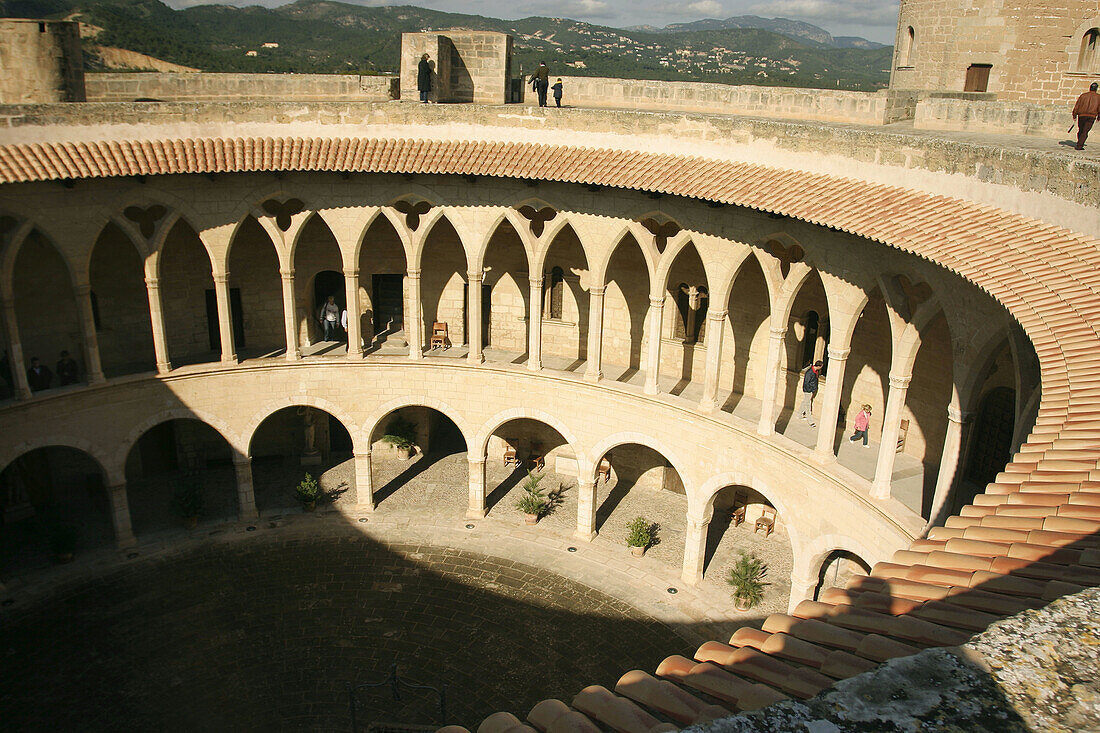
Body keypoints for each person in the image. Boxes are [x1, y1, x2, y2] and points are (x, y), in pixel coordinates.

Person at [1072, 81, 1100, 150]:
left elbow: (1077, 105)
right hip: (1091, 116)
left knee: (1081, 130)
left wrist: (1074, 115)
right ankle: (1079, 145)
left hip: (1081, 115)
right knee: (1085, 131)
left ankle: (1079, 142)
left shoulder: (1083, 96)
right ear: (1096, 89)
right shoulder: (1098, 97)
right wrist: (1099, 117)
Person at [799, 360, 823, 427]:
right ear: (819, 366)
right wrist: (810, 390)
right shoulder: (810, 372)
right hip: (808, 390)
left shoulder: (815, 371)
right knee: (808, 405)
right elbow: (806, 382)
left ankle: (800, 415)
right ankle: (810, 421)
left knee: (805, 402)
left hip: (810, 390)